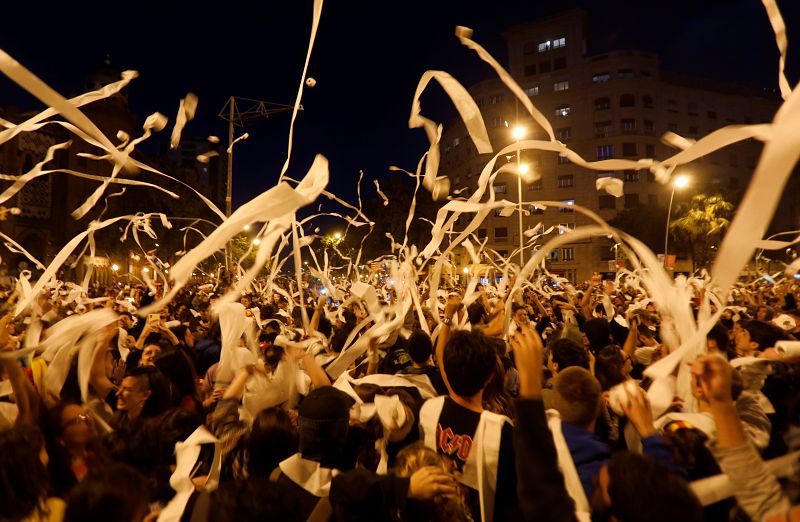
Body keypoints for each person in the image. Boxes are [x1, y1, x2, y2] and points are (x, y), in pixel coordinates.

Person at [420, 295, 518, 522]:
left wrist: (447, 317)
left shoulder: (428, 412)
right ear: (490, 377)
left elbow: (441, 358)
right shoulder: (500, 429)